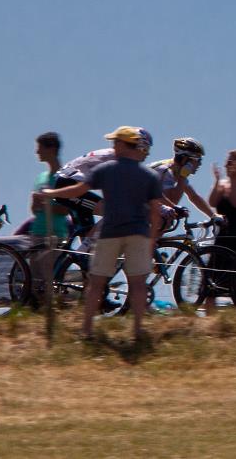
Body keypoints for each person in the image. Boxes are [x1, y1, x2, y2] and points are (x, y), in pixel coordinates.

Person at [41, 126, 165, 341]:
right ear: (139, 145)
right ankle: (84, 250)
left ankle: (86, 261)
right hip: (69, 183)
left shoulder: (118, 161)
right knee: (108, 209)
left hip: (70, 184)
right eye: (146, 148)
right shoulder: (115, 159)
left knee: (102, 220)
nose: (147, 152)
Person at [202, 149, 236, 313]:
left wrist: (234, 180)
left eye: (230, 161)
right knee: (210, 283)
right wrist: (217, 181)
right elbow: (212, 202)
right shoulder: (224, 183)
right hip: (222, 237)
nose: (226, 165)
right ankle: (210, 321)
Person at [24, 132, 67, 304]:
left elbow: (66, 209)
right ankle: (41, 313)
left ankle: (53, 310)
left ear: (52, 149)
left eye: (40, 148)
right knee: (35, 280)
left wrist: (47, 204)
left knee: (49, 275)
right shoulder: (41, 178)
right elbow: (35, 210)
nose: (37, 152)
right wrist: (36, 203)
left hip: (55, 233)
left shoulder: (63, 177)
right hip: (37, 233)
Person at [152, 137, 219, 232]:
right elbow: (172, 201)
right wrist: (182, 178)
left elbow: (194, 197)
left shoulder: (176, 170)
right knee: (167, 216)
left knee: (167, 217)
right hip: (132, 210)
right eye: (198, 160)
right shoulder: (164, 171)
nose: (200, 164)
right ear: (185, 160)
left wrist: (213, 216)